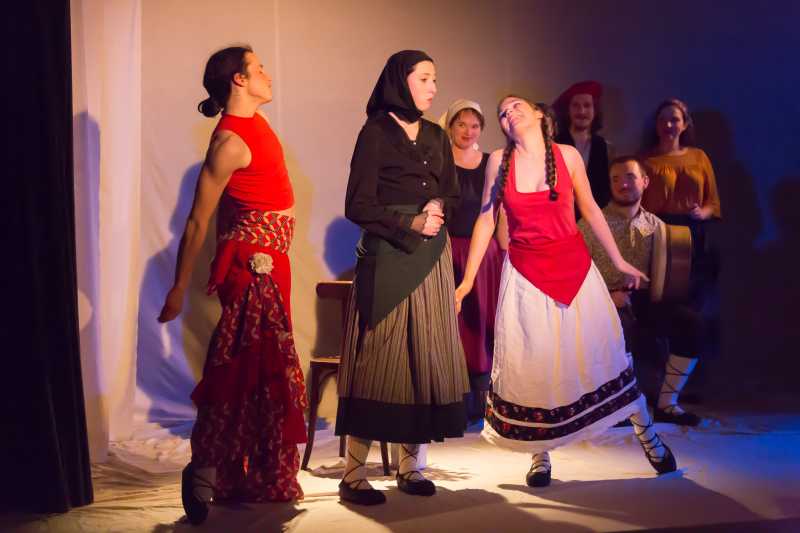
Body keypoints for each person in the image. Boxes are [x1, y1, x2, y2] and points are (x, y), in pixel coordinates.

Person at [455, 95, 676, 488]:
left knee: (605, 356)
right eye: (502, 113)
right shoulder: (498, 162)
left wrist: (619, 261)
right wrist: (468, 279)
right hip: (526, 275)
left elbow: (589, 208)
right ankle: (540, 455)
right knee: (535, 364)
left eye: (516, 106)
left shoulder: (568, 156)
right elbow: (487, 219)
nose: (509, 113)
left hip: (574, 271)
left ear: (540, 115)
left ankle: (648, 436)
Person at [158, 46, 306, 524]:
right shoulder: (228, 142)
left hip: (273, 259)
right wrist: (179, 286)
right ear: (239, 80)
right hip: (253, 265)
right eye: (258, 68)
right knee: (240, 367)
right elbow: (198, 221)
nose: (267, 74)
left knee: (264, 373)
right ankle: (203, 469)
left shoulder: (257, 125)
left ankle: (253, 474)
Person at [335, 50, 470, 505]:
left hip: (432, 258)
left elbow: (452, 193)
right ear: (401, 81)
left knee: (425, 354)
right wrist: (409, 222)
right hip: (390, 256)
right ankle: (353, 474)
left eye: (435, 79)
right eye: (425, 78)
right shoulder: (375, 133)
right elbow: (357, 205)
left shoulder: (435, 135)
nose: (434, 88)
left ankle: (412, 467)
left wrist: (437, 206)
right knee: (380, 359)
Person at [579, 156, 707, 426]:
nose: (623, 184)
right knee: (619, 325)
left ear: (645, 182)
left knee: (691, 323)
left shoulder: (657, 226)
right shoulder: (591, 224)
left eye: (630, 177)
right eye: (615, 179)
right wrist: (608, 297)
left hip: (645, 300)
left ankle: (666, 404)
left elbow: (666, 275)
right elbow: (575, 273)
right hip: (602, 300)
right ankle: (620, 407)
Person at [641, 98, 722, 411]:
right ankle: (657, 390)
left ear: (685, 124)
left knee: (692, 313)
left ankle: (675, 391)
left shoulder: (699, 157)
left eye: (675, 119)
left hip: (693, 237)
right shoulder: (645, 159)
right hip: (658, 236)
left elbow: (713, 202)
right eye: (663, 119)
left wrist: (703, 213)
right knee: (659, 315)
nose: (669, 125)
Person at [442, 99, 503, 423]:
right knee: (452, 325)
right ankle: (452, 400)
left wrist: (504, 251)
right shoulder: (439, 162)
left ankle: (481, 402)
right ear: (451, 126)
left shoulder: (490, 163)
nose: (468, 131)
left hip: (482, 255)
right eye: (462, 124)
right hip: (447, 251)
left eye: (475, 125)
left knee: (481, 322)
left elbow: (498, 212)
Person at [553, 81, 611, 211]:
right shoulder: (556, 142)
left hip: (594, 214)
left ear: (595, 110)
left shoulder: (603, 145)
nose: (582, 111)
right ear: (568, 110)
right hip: (562, 212)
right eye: (576, 105)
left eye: (587, 105)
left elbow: (605, 188)